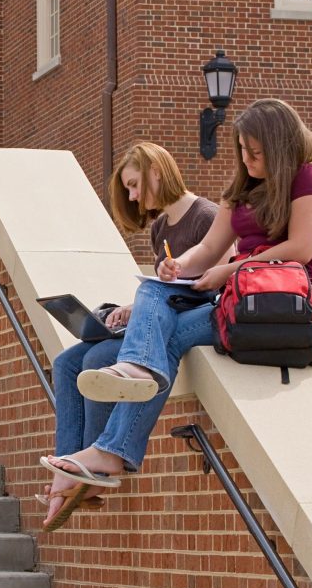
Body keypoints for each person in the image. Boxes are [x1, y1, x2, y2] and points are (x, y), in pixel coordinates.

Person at [42, 98, 312, 522]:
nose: (248, 160)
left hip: (281, 303)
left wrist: (229, 270)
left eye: (256, 152)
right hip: (236, 299)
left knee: (172, 334)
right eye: (243, 151)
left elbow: (301, 250)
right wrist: (177, 266)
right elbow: (208, 249)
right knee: (155, 291)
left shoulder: (308, 179)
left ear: (281, 145)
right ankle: (128, 394)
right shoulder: (242, 189)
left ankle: (113, 446)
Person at [42, 142, 219, 530]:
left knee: (102, 357)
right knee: (70, 361)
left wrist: (154, 298)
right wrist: (129, 311)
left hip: (197, 315)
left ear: (157, 171)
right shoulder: (161, 227)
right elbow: (166, 285)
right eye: (130, 190)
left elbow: (216, 281)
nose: (135, 197)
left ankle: (103, 460)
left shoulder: (207, 215)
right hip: (162, 312)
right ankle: (72, 465)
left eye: (135, 185)